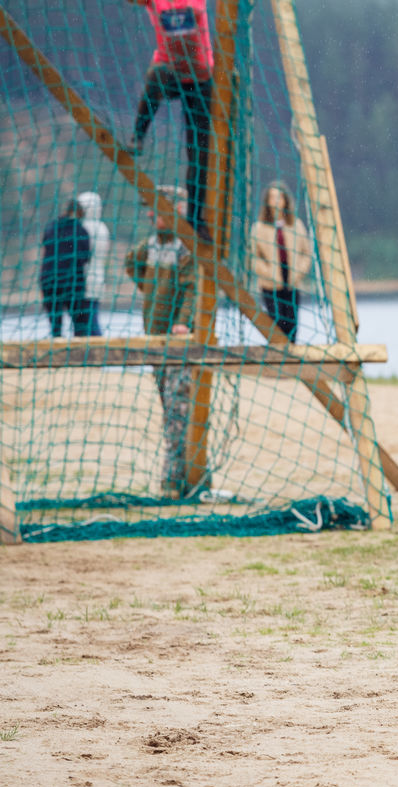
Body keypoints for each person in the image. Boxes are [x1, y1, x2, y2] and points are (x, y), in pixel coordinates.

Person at [125, 186, 197, 499]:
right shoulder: (151, 246)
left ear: (178, 209)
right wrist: (151, 288)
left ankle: (174, 481)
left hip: (180, 342)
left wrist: (184, 321)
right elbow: (131, 263)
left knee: (179, 411)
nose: (153, 214)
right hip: (153, 338)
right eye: (150, 209)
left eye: (159, 208)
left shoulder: (187, 247)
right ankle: (178, 477)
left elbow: (194, 289)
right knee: (169, 407)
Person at [125, 0, 214, 237]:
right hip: (171, 71)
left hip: (200, 79)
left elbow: (193, 11)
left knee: (198, 154)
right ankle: (138, 135)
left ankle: (196, 219)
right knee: (156, 76)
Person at [251, 181, 313, 343]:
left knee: (292, 322)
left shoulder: (296, 225)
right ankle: (278, 356)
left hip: (292, 280)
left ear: (285, 200)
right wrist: (268, 273)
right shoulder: (259, 227)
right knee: (277, 322)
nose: (276, 201)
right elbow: (253, 257)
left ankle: (291, 359)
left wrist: (298, 272)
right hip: (270, 283)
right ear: (267, 201)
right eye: (272, 197)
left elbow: (306, 253)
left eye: (279, 197)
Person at [38, 199, 92, 338]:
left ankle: (56, 350)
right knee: (80, 321)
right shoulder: (80, 230)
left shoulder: (51, 227)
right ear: (79, 213)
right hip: (71, 281)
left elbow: (46, 245)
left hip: (49, 279)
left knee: (55, 322)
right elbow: (85, 256)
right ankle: (79, 352)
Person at [76, 191, 111, 336]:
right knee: (91, 318)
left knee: (87, 322)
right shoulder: (103, 227)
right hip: (97, 279)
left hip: (84, 281)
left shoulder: (83, 229)